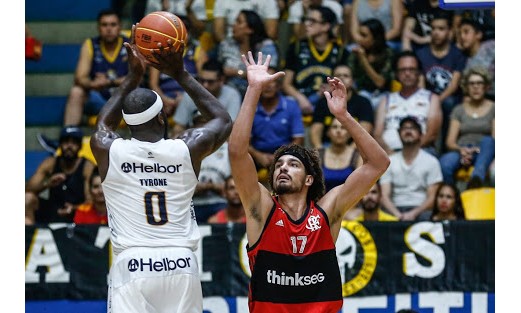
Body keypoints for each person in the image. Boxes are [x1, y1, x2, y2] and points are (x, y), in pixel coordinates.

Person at [228, 51, 389, 312]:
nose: (283, 168)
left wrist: (344, 117)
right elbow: (237, 153)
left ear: (309, 179)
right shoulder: (262, 209)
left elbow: (378, 164)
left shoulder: (328, 211)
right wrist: (254, 89)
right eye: (279, 165)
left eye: (293, 165)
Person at [89, 26, 233, 312]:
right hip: (181, 262)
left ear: (128, 123)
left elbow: (103, 125)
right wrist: (180, 73)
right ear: (161, 119)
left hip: (133, 262)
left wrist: (132, 78)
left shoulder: (110, 149)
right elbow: (222, 120)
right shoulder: (184, 148)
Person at [63, 9, 130, 126]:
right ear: (98, 27)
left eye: (113, 25)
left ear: (120, 27)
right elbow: (80, 78)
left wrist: (110, 82)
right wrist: (93, 84)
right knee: (76, 92)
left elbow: (138, 77)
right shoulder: (90, 44)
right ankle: (68, 138)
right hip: (100, 99)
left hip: (125, 100)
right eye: (104, 25)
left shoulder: (129, 44)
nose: (109, 29)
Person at [282, 5, 349, 115]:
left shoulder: (341, 52)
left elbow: (345, 81)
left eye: (312, 21)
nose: (307, 24)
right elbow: (286, 84)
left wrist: (331, 88)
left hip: (327, 103)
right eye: (306, 20)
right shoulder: (297, 47)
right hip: (298, 102)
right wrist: (300, 98)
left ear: (326, 26)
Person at [415, 10, 467, 150]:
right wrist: (429, 100)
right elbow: (420, 84)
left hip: (449, 98)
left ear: (450, 31)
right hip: (428, 97)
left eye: (441, 29)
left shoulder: (457, 54)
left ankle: (443, 147)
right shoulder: (421, 53)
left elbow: (454, 85)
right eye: (433, 29)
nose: (436, 32)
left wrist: (436, 101)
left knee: (447, 104)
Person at [373, 50, 442, 155]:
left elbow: (432, 134)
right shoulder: (386, 100)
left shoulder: (431, 98)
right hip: (389, 154)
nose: (407, 73)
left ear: (418, 72)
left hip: (420, 152)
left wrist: (407, 154)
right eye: (403, 70)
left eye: (411, 69)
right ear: (396, 74)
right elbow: (377, 135)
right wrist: (391, 155)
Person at [25, 126, 96, 225]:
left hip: (77, 212)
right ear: (60, 145)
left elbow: (91, 201)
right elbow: (28, 189)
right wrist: (47, 183)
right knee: (27, 198)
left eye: (74, 142)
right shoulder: (50, 163)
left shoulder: (87, 166)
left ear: (80, 146)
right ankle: (29, 236)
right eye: (66, 142)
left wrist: (74, 208)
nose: (69, 146)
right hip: (52, 211)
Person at [439, 67, 494, 187]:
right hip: (462, 149)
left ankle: (476, 179)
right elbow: (450, 142)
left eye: (479, 83)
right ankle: (453, 197)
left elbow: (495, 139)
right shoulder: (458, 110)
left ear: (486, 86)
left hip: (485, 151)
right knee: (445, 163)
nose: (476, 87)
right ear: (466, 87)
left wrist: (477, 150)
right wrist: (462, 150)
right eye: (472, 83)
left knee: (489, 141)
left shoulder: (494, 108)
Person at [380, 116, 443, 221]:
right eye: (404, 128)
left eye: (412, 128)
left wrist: (413, 214)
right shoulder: (389, 161)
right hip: (395, 209)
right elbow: (384, 195)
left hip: (421, 210)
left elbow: (432, 198)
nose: (408, 131)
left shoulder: (432, 161)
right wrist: (397, 214)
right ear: (399, 134)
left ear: (421, 134)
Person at [249, 66, 305, 181]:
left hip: (286, 154)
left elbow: (298, 139)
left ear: (278, 85)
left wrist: (279, 157)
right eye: (264, 81)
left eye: (271, 81)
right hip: (256, 157)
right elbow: (243, 142)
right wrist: (258, 156)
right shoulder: (250, 106)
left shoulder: (291, 105)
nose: (268, 85)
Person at [148, 15, 208, 118]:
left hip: (189, 96)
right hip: (164, 97)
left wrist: (185, 99)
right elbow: (153, 85)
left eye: (185, 31)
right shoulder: (158, 52)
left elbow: (203, 82)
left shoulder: (198, 51)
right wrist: (167, 101)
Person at [217, 9, 280, 97]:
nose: (233, 25)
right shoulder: (226, 45)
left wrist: (238, 72)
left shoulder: (266, 46)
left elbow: (267, 75)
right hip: (229, 93)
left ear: (250, 29)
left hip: (258, 95)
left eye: (239, 22)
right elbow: (220, 71)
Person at [310, 64, 374, 149]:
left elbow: (365, 133)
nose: (341, 78)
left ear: (352, 81)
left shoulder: (363, 102)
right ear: (331, 81)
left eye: (346, 76)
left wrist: (349, 154)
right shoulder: (323, 102)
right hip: (327, 147)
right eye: (338, 76)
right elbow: (316, 131)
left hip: (356, 148)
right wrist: (321, 151)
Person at [172, 59, 241, 137]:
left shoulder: (232, 95)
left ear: (222, 80)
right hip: (193, 141)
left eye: (210, 82)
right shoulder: (189, 94)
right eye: (202, 80)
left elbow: (232, 128)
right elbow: (179, 126)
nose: (205, 85)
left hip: (221, 142)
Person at [191, 111, 232, 223]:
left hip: (220, 202)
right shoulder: (185, 149)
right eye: (199, 123)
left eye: (207, 123)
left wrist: (212, 186)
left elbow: (235, 185)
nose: (203, 127)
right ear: (193, 127)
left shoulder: (227, 149)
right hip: (193, 203)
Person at [347, 18, 394, 110]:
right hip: (360, 92)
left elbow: (380, 82)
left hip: (382, 94)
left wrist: (363, 59)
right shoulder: (354, 53)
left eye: (364, 35)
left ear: (375, 39)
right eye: (359, 34)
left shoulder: (388, 53)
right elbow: (349, 76)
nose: (359, 38)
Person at [319, 117, 362, 192]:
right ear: (328, 132)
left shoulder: (358, 157)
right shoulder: (318, 155)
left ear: (349, 133)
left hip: (350, 202)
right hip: (321, 202)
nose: (338, 131)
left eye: (343, 128)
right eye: (334, 127)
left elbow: (359, 188)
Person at [458, 18, 495, 100]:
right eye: (459, 34)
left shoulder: (490, 47)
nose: (462, 37)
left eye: (466, 32)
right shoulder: (464, 60)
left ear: (478, 34)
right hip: (484, 99)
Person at [212, 0, 280, 42]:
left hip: (259, 43)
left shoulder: (269, 1)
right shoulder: (221, 1)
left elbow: (271, 34)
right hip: (230, 43)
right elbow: (218, 34)